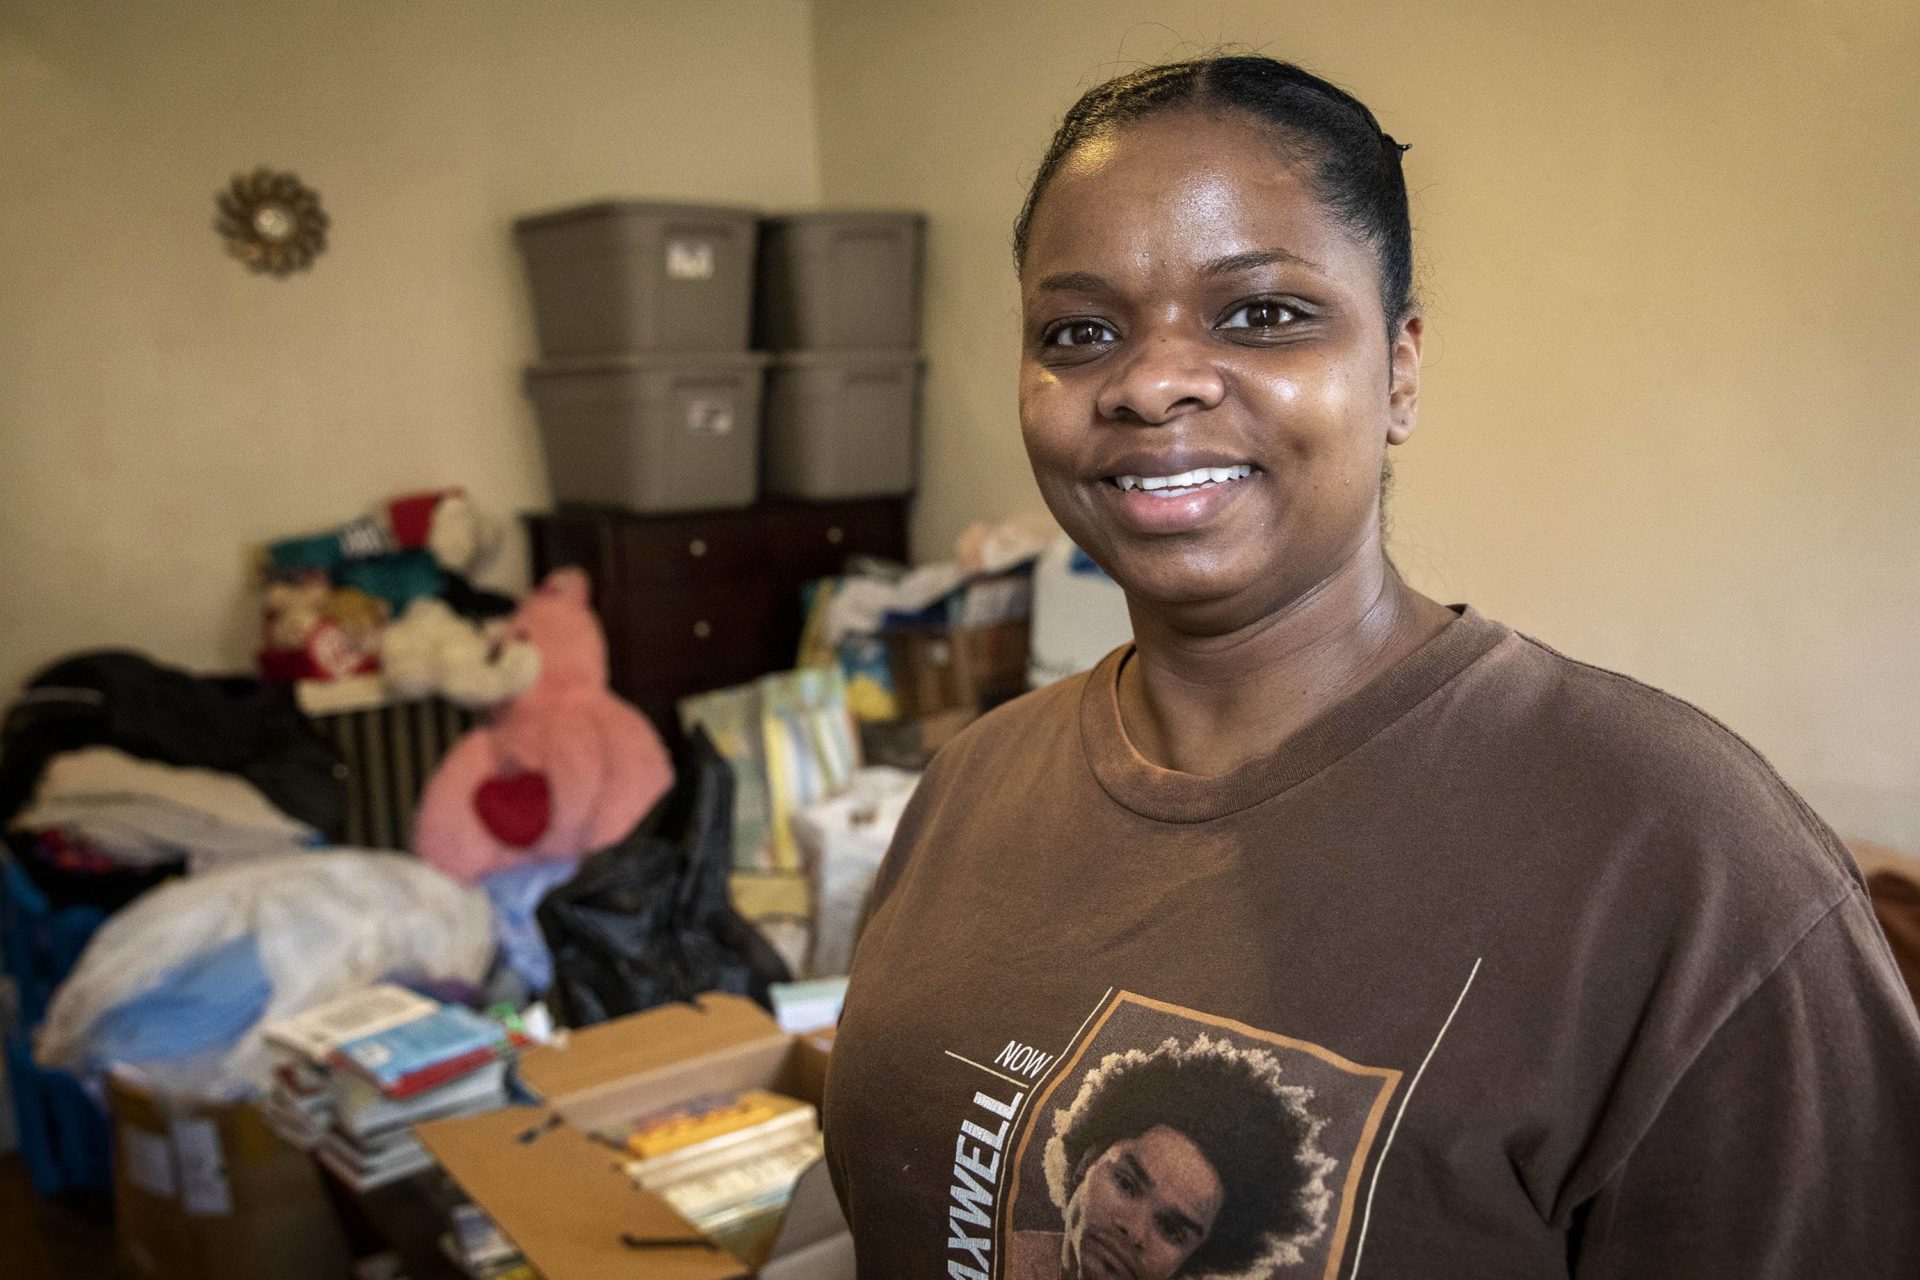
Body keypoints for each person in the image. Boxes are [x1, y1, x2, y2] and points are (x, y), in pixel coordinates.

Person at [823, 55, 1920, 1278]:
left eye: (1262, 313)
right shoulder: (970, 786)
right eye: (1080, 332)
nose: (1151, 381)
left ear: (1398, 368)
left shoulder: (1686, 858)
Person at [1006, 1033, 1336, 1280]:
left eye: (1172, 1229)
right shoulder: (998, 1259)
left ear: (1193, 1262)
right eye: (1126, 1184)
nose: (1134, 1231)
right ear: (1086, 1162)